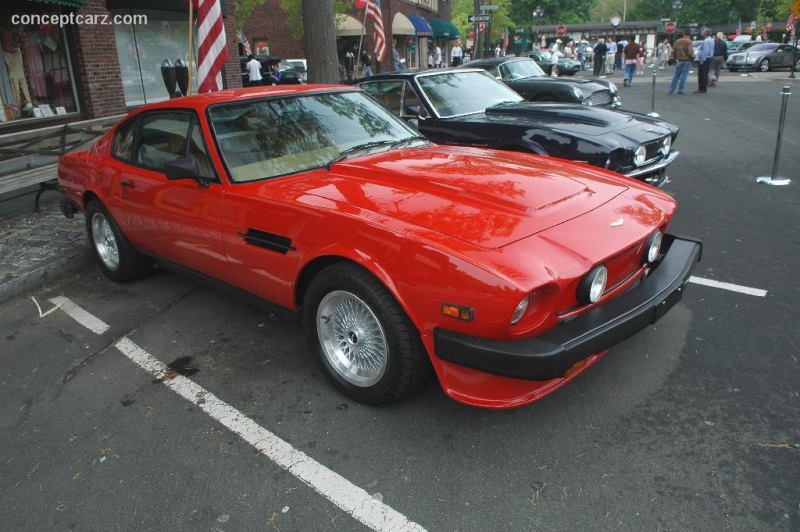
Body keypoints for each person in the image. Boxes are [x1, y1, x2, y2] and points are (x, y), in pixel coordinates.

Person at [668, 29, 694, 94]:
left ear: (684, 33)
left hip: (679, 60)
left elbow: (674, 50)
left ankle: (671, 89)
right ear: (690, 34)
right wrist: (692, 58)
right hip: (687, 60)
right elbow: (690, 52)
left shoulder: (678, 41)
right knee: (683, 75)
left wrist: (675, 57)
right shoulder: (689, 41)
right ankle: (680, 90)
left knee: (676, 75)